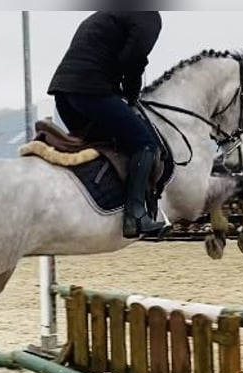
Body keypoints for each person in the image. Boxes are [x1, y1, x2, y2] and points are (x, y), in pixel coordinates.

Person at [47, 11, 165, 238]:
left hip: (64, 93)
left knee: (106, 144)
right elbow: (134, 57)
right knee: (145, 144)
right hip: (92, 91)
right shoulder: (148, 15)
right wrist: (131, 94)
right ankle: (135, 215)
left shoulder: (106, 13)